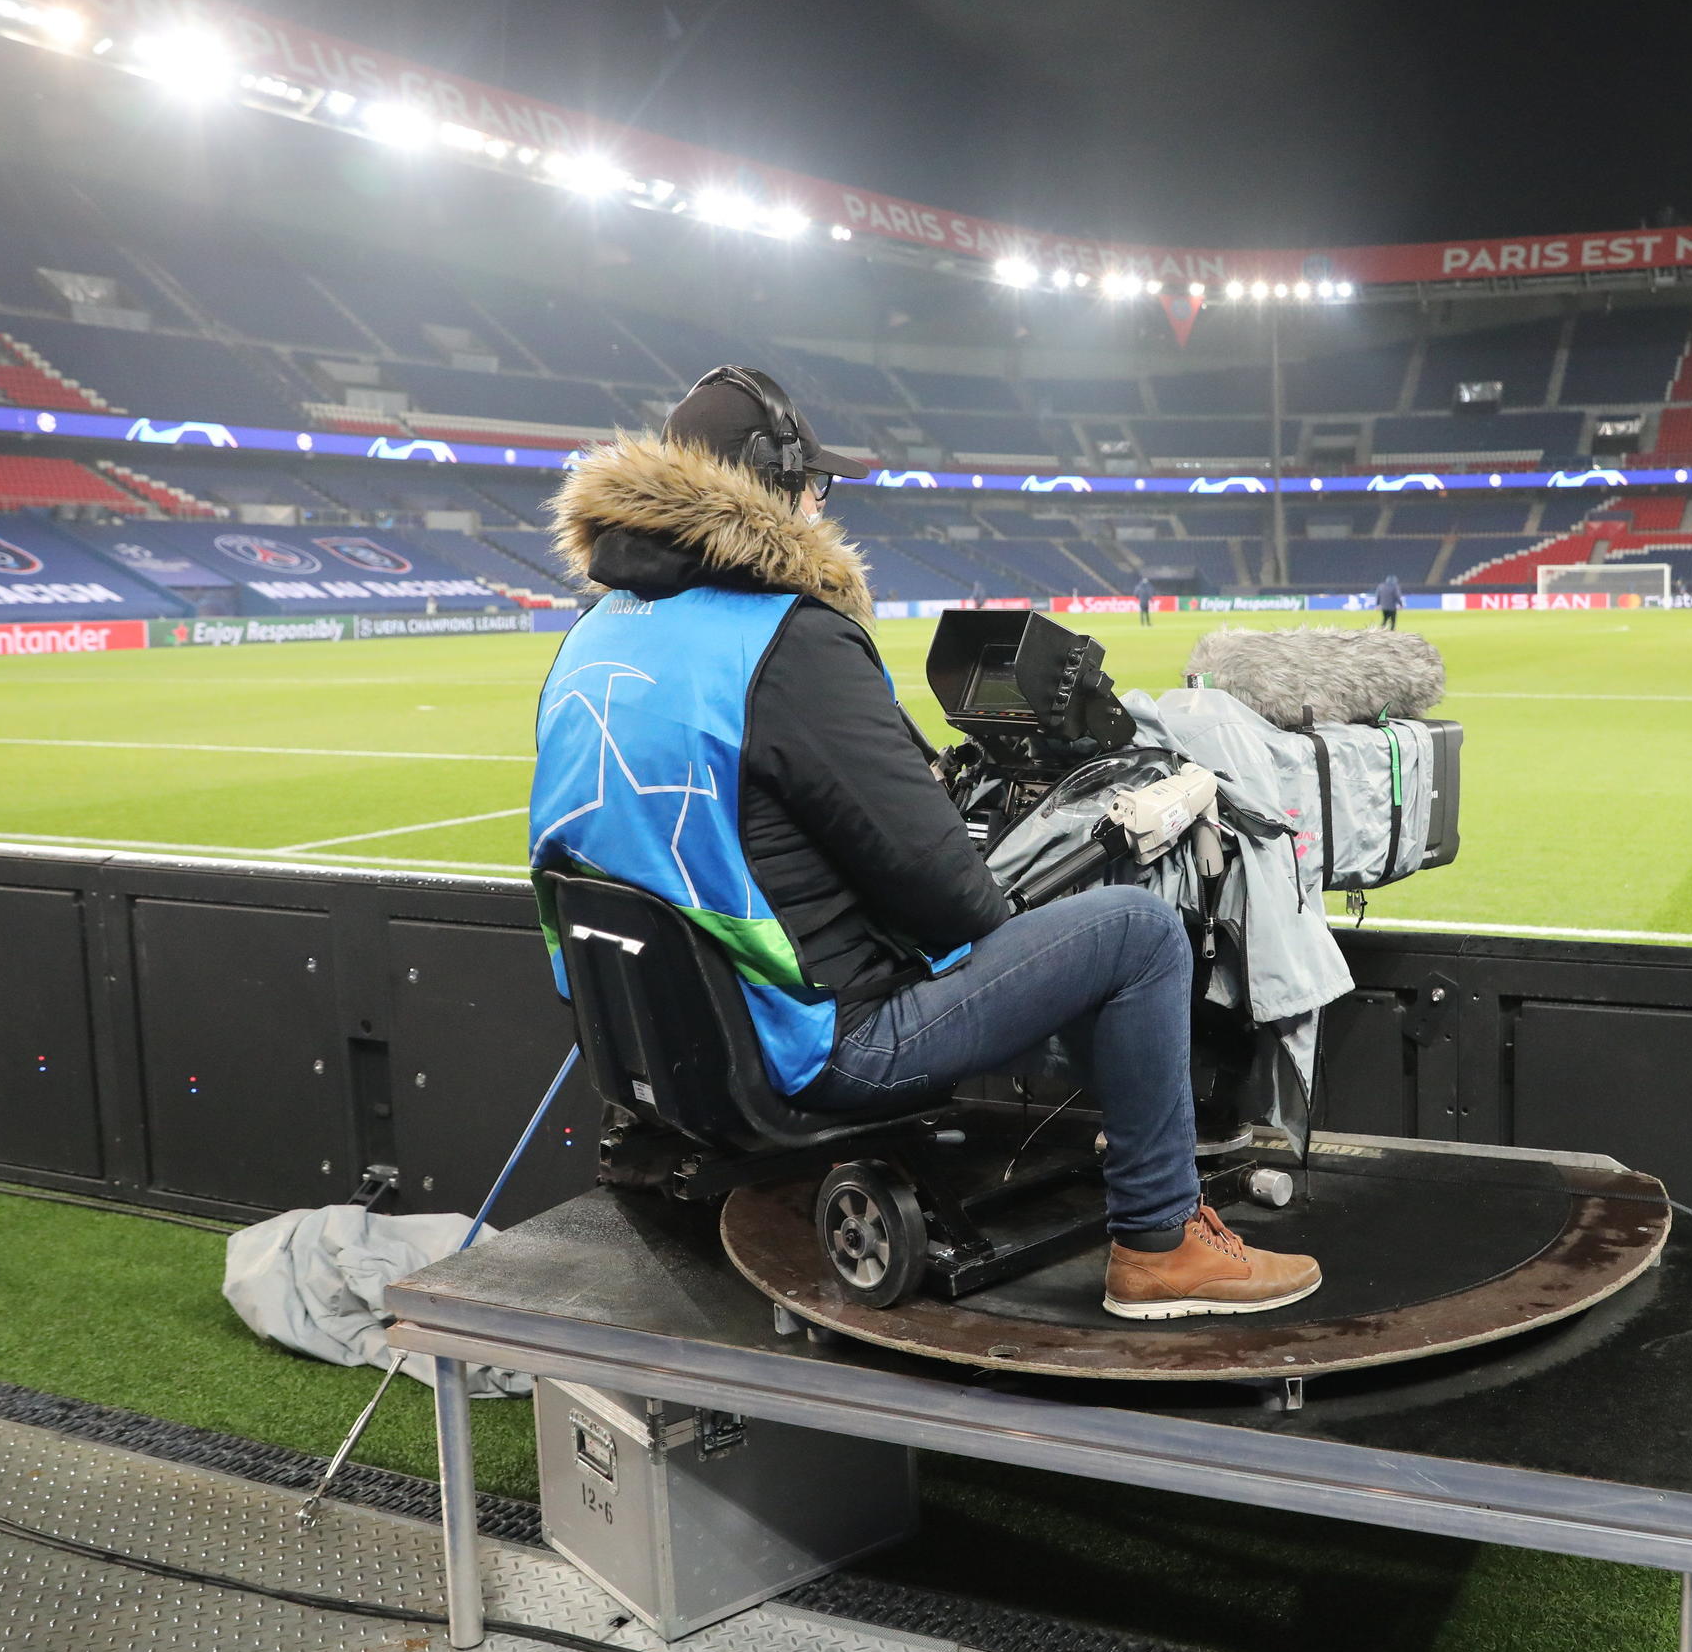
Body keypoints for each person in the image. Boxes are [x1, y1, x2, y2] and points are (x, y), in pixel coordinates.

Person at [529, 368, 1320, 1320]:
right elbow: (954, 899)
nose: (822, 501)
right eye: (813, 482)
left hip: (662, 1050)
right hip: (819, 1048)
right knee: (1134, 932)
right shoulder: (791, 639)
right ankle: (1160, 1241)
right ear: (768, 484)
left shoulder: (590, 633)